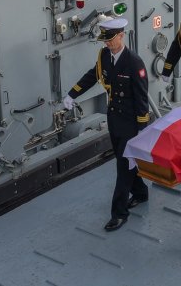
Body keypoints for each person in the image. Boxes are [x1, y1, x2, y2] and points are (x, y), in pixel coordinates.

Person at [63, 18, 150, 232]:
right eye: (104, 40)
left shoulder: (134, 63)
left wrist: (142, 128)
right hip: (114, 118)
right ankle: (140, 193)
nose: (107, 44)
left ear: (121, 35)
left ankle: (119, 213)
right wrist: (72, 93)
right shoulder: (104, 56)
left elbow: (141, 97)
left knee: (123, 165)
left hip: (131, 122)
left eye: (110, 40)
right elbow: (93, 76)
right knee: (125, 161)